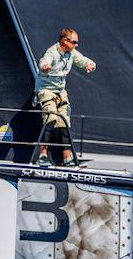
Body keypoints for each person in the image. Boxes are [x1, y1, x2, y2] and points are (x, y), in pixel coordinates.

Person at [34, 28, 96, 167]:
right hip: (46, 90)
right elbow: (45, 60)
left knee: (64, 123)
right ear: (64, 40)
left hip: (60, 91)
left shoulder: (71, 53)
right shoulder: (52, 52)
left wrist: (90, 64)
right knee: (51, 118)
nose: (76, 45)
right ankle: (42, 155)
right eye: (74, 42)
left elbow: (82, 60)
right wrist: (45, 66)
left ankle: (67, 158)